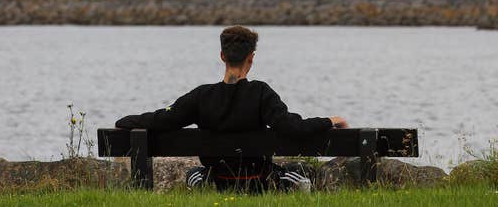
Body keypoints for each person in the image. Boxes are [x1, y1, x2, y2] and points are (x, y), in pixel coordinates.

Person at [115, 25, 348, 192]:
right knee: (299, 170)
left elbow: (162, 120)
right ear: (252, 57)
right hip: (258, 179)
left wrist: (125, 121)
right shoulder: (261, 93)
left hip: (219, 179)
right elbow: (292, 126)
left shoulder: (202, 96)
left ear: (222, 56)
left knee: (193, 174)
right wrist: (330, 120)